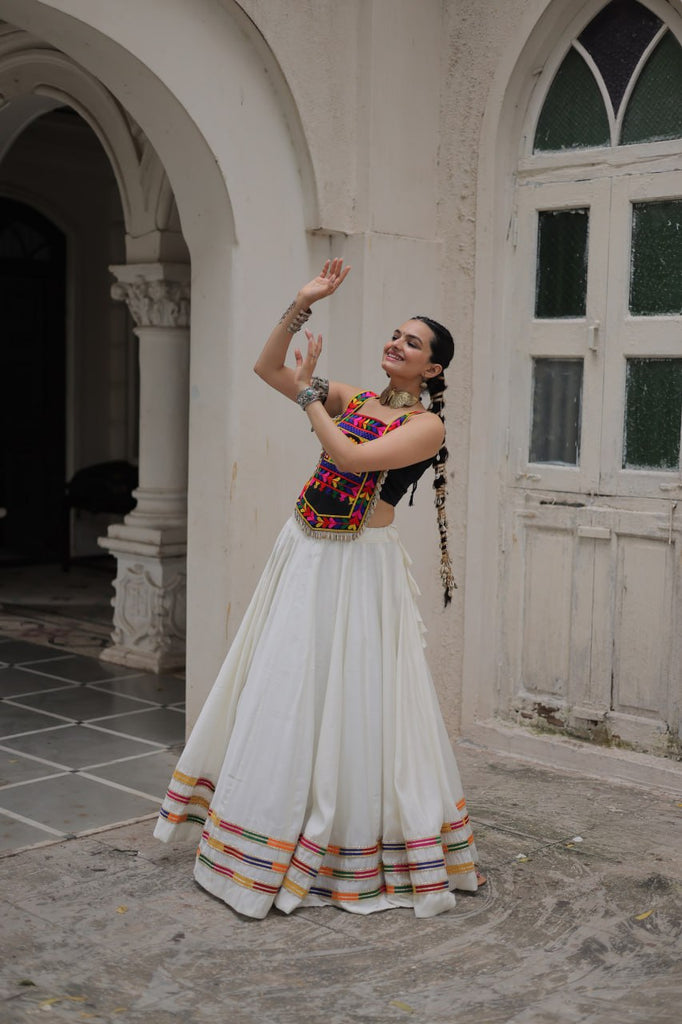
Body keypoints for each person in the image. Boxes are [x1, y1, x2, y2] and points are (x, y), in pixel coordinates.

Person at [154, 258, 482, 919]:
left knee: (350, 694)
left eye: (412, 343)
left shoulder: (425, 426)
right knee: (286, 682)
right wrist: (300, 304)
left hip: (359, 564)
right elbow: (270, 369)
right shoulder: (359, 399)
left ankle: (344, 844)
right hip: (304, 551)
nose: (396, 343)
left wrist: (309, 398)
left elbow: (350, 458)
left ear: (433, 370)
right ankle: (263, 823)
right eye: (395, 334)